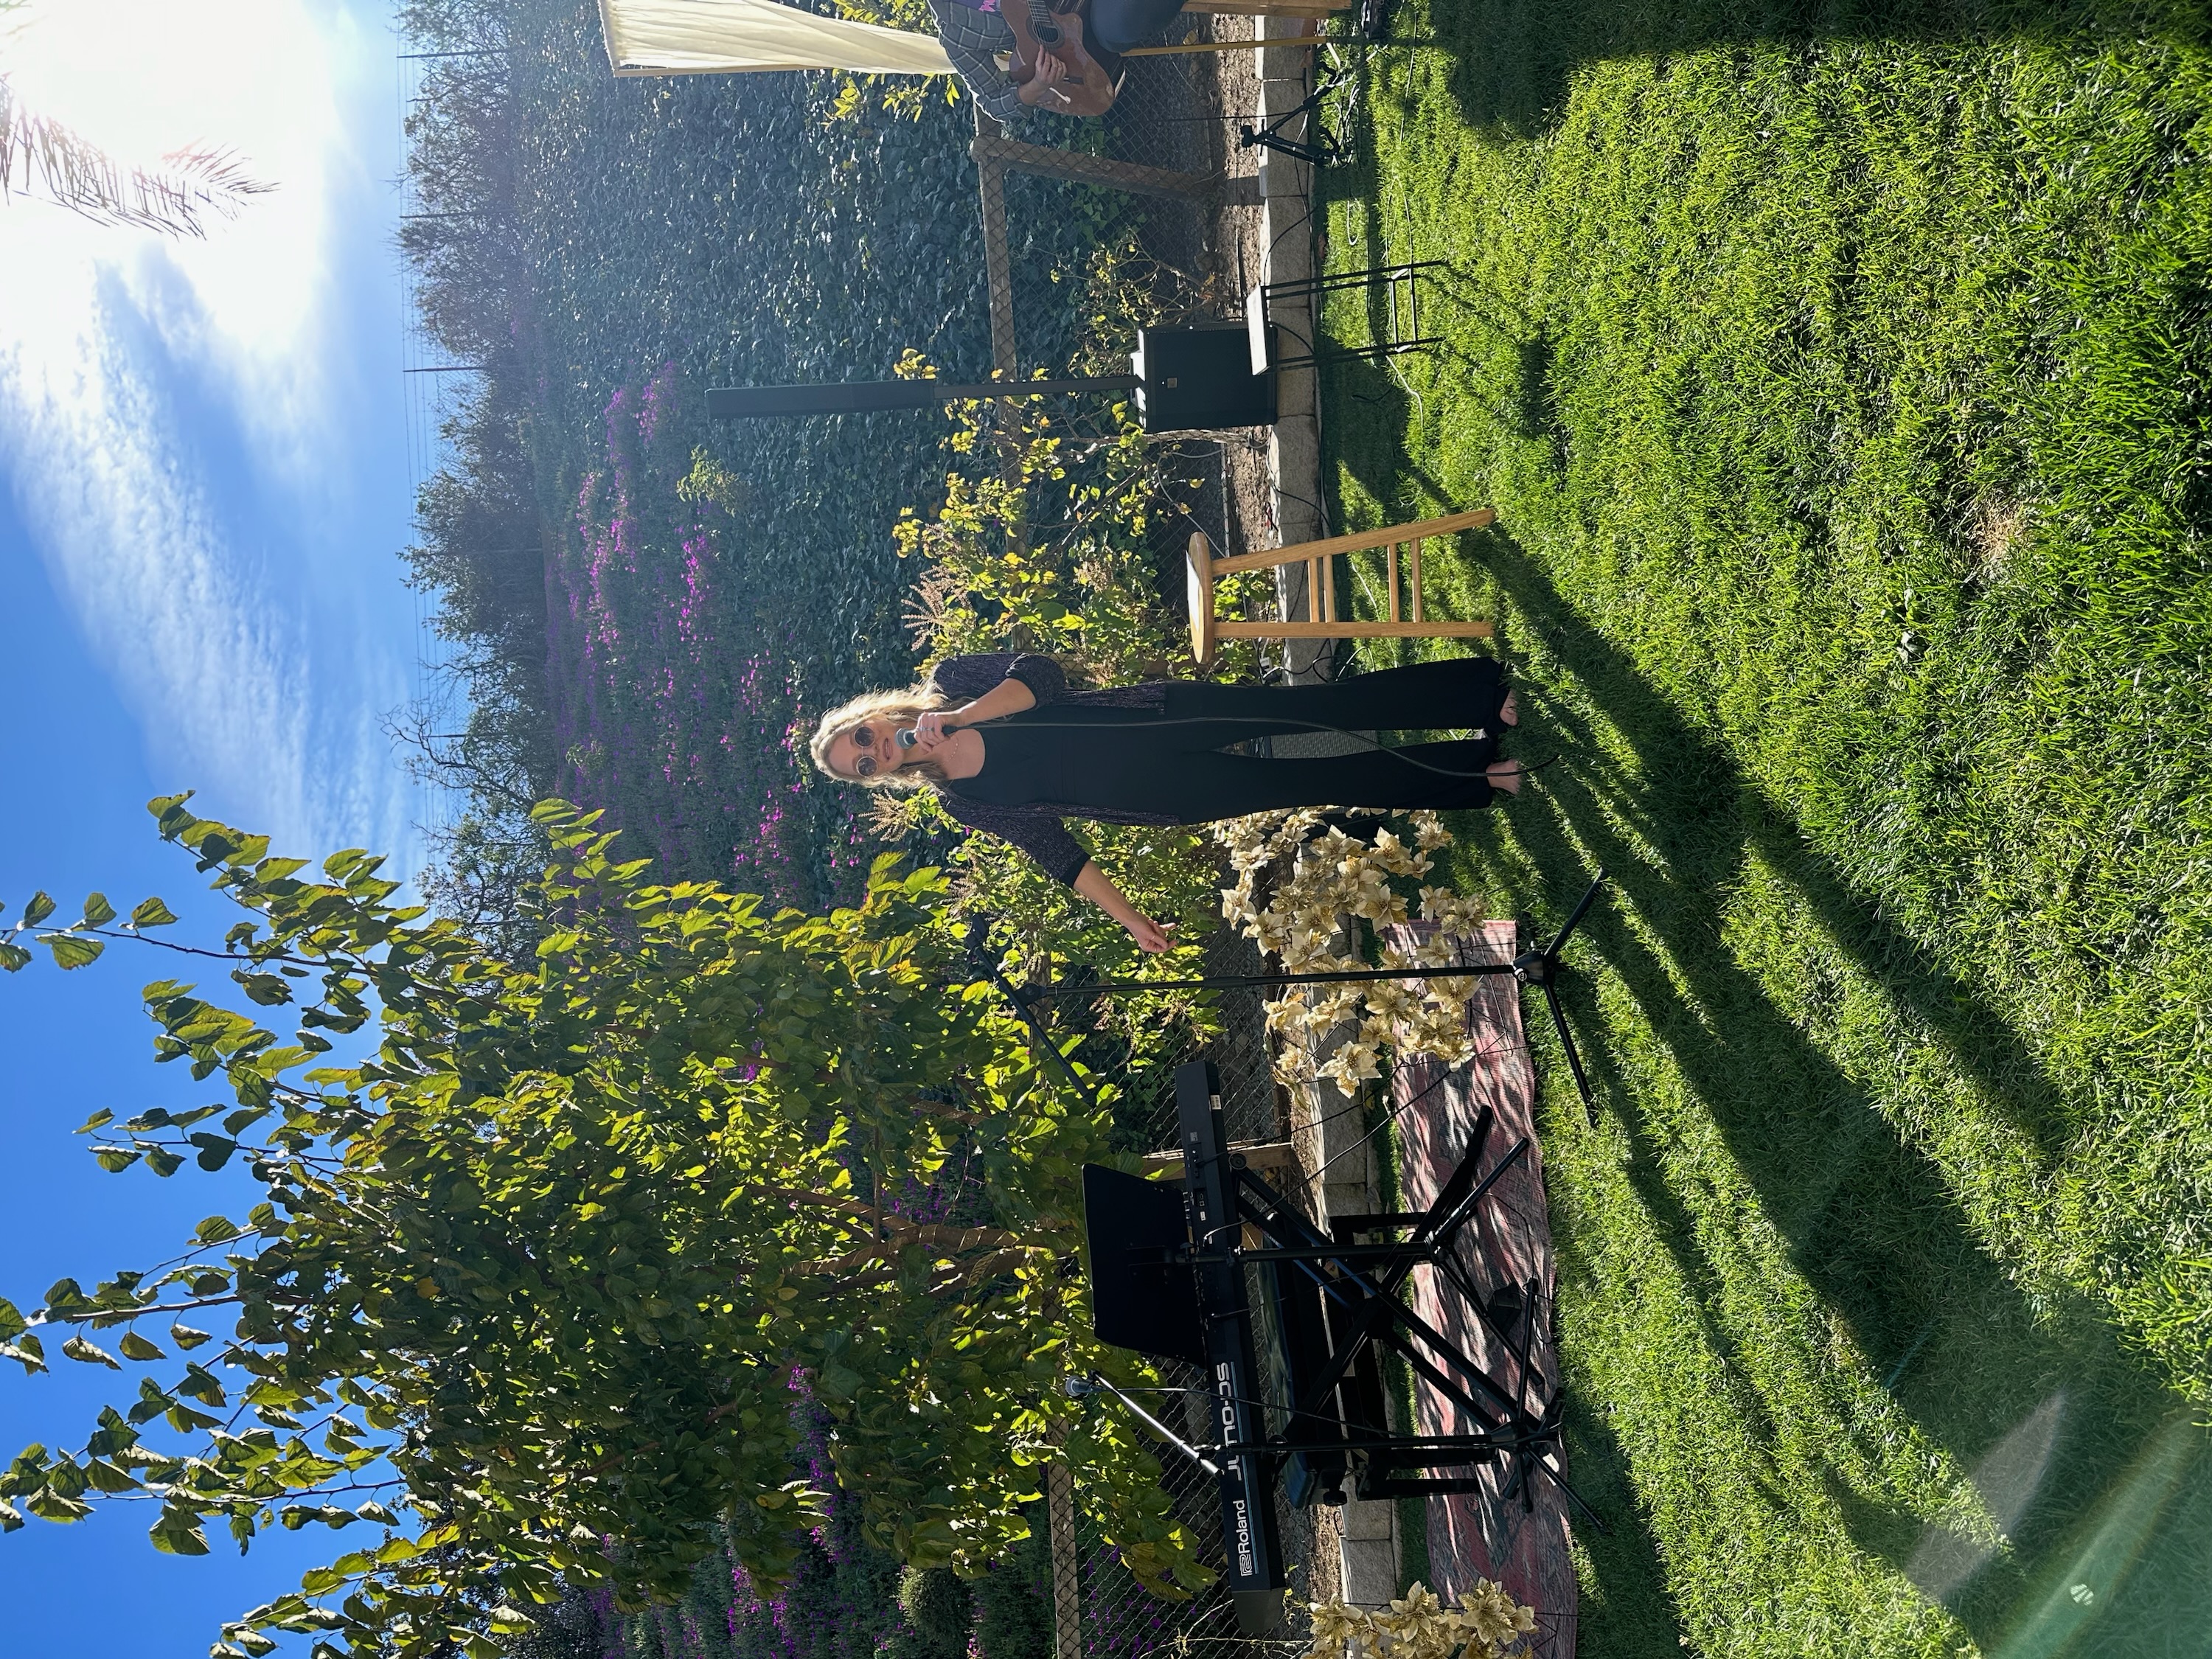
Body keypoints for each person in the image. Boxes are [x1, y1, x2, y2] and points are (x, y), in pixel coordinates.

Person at [809, 653, 1527, 953]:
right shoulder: (962, 802)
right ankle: (1477, 775)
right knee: (1320, 783)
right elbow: (1055, 850)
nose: (875, 751)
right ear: (878, 775)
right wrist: (1131, 922)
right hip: (1167, 795)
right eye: (864, 765)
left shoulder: (951, 681)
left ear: (871, 716)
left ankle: (1480, 694)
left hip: (1160, 717)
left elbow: (1044, 678)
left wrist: (963, 714)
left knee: (1315, 708)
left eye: (863, 739)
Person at [929, 0, 1187, 121]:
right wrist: (1039, 85)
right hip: (1080, 45)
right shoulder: (955, 32)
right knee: (1116, 31)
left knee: (1117, 27)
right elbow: (993, 103)